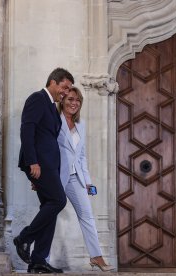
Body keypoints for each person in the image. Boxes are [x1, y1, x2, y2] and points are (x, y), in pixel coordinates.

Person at [14, 68, 74, 274]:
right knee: (58, 200)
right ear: (53, 82)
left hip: (47, 166)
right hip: (40, 164)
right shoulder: (37, 99)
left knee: (50, 207)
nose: (66, 93)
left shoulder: (50, 106)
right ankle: (24, 238)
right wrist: (33, 163)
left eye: (69, 89)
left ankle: (38, 260)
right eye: (64, 87)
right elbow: (27, 130)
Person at [56, 86, 114, 271]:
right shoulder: (54, 122)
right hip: (56, 176)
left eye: (77, 100)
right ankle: (40, 257)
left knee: (87, 216)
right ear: (63, 101)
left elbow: (81, 157)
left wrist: (88, 182)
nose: (74, 103)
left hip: (76, 178)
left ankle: (96, 256)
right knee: (48, 216)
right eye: (70, 99)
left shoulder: (81, 125)